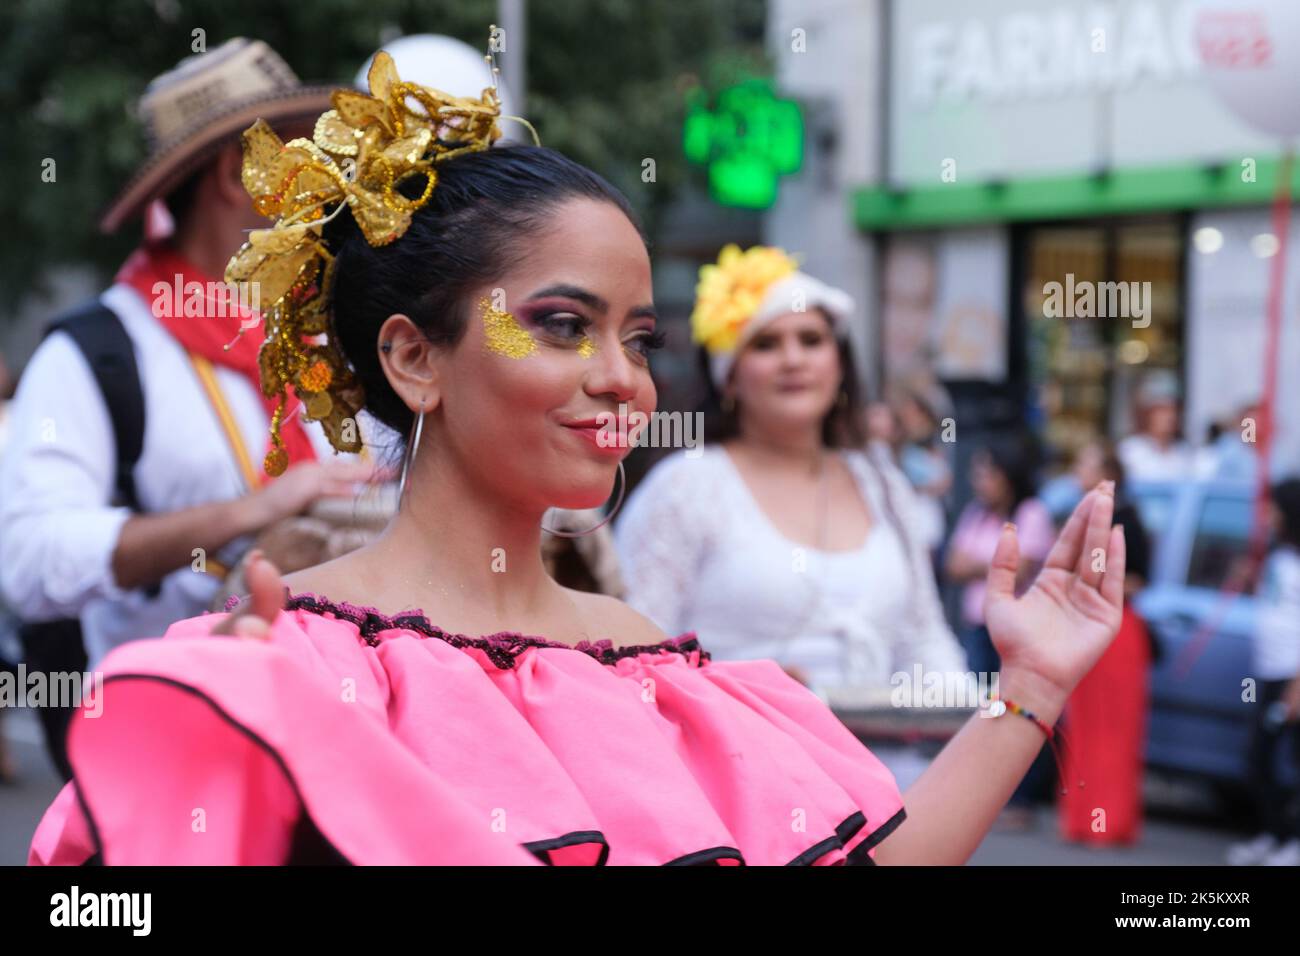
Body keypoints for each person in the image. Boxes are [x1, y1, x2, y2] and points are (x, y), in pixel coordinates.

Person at [28, 49, 1126, 866]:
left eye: (638, 338)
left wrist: (1025, 688)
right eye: (562, 325)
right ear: (413, 358)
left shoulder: (664, 671)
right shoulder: (275, 663)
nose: (623, 379)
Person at [0, 38, 375, 671]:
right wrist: (250, 512)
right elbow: (28, 559)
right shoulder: (96, 352)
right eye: (303, 156)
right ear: (236, 175)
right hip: (168, 733)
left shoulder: (332, 329)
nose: (331, 179)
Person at [613, 245, 964, 700]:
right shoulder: (686, 487)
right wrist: (739, 690)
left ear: (840, 365)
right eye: (766, 344)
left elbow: (924, 641)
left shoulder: (884, 485)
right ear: (731, 378)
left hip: (890, 766)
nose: (793, 359)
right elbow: (633, 658)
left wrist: (977, 715)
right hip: (735, 763)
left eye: (811, 340)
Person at [945, 432, 1057, 829]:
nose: (979, 480)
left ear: (1007, 474)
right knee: (982, 713)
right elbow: (954, 566)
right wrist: (993, 564)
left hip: (1017, 629)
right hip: (979, 627)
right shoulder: (977, 514)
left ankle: (1021, 799)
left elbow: (1021, 568)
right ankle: (982, 796)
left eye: (987, 472)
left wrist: (982, 565)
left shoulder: (1031, 513)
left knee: (1016, 714)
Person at [1057, 440, 1153, 846]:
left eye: (1086, 461)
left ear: (1107, 472)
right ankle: (1084, 819)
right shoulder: (1079, 515)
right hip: (1087, 625)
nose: (1078, 468)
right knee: (1084, 726)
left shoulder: (1125, 519)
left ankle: (1109, 821)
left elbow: (1140, 578)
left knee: (1114, 730)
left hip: (1115, 629)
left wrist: (1093, 583)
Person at [1227, 478, 1300, 866]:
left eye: (1273, 507)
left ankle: (1292, 840)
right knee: (1257, 756)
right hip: (1262, 674)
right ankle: (1272, 833)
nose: (1267, 514)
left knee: (1287, 760)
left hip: (1291, 677)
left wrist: (1297, 687)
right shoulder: (1275, 554)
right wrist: (1248, 579)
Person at [1116, 372, 1193, 482]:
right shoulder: (1129, 451)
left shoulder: (1185, 452)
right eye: (1162, 410)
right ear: (1147, 413)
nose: (1170, 416)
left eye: (1174, 410)